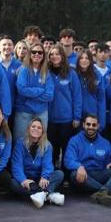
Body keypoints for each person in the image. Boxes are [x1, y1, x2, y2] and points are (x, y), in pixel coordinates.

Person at [64, 114, 111, 206]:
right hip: (84, 176)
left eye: (94, 125)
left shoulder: (105, 143)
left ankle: (102, 192)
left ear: (98, 126)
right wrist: (79, 166)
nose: (91, 127)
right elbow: (68, 160)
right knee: (74, 174)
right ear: (83, 125)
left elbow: (107, 164)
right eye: (88, 124)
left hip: (100, 173)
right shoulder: (74, 141)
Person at [9, 118, 65, 208]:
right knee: (13, 183)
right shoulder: (20, 143)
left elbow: (48, 164)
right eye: (33, 126)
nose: (36, 129)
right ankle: (48, 195)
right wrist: (23, 180)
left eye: (39, 128)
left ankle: (39, 195)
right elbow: (16, 165)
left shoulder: (47, 145)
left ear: (42, 131)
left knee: (59, 174)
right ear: (28, 129)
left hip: (40, 179)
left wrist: (44, 177)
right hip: (27, 179)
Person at [47, 45, 82, 174]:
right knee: (51, 149)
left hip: (67, 119)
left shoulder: (70, 73)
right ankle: (52, 175)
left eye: (57, 54)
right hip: (49, 118)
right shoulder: (46, 72)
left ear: (62, 56)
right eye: (52, 54)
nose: (54, 56)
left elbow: (77, 96)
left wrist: (76, 116)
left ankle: (67, 176)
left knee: (66, 149)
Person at [14, 42, 53, 140]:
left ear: (43, 56)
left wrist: (30, 94)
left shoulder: (46, 72)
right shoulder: (23, 70)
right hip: (24, 112)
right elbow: (21, 89)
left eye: (40, 53)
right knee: (20, 140)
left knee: (40, 141)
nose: (37, 54)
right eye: (34, 52)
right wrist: (40, 90)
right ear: (29, 54)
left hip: (41, 112)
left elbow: (49, 95)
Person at [76, 50, 106, 130]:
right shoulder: (74, 75)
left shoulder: (98, 76)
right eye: (81, 58)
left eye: (87, 58)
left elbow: (101, 99)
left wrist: (102, 122)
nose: (84, 60)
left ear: (91, 60)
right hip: (77, 116)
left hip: (92, 115)